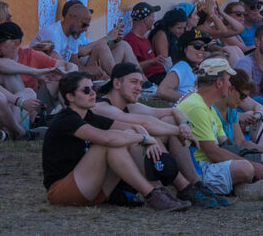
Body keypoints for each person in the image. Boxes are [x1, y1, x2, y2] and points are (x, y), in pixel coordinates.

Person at [42, 71, 191, 210]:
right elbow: (107, 138)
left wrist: (148, 135)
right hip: (62, 192)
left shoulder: (89, 116)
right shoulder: (66, 119)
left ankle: (158, 192)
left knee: (124, 136)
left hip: (94, 191)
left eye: (93, 88)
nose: (93, 93)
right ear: (70, 97)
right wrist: (144, 138)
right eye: (86, 90)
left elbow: (131, 127)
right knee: (110, 144)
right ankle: (151, 195)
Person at [91, 62, 224, 208]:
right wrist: (179, 130)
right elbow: (144, 123)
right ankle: (175, 188)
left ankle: (194, 184)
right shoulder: (101, 107)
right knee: (137, 134)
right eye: (133, 82)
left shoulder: (130, 106)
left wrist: (184, 124)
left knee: (169, 121)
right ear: (116, 83)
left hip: (126, 173)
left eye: (141, 83)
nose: (139, 88)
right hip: (103, 178)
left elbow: (174, 111)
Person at [176, 58, 263, 199]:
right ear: (219, 83)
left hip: (210, 164)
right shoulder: (197, 107)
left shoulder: (207, 107)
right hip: (199, 169)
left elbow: (226, 144)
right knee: (246, 168)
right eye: (229, 80)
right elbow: (213, 152)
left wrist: (258, 156)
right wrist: (252, 165)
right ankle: (243, 188)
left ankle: (244, 187)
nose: (230, 85)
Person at [32, 2, 137, 79]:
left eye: (87, 26)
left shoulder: (73, 35)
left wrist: (91, 70)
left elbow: (76, 65)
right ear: (71, 18)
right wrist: (89, 70)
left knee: (106, 50)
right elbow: (61, 68)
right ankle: (122, 83)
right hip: (47, 77)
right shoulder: (53, 34)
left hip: (62, 74)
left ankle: (122, 82)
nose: (86, 29)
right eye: (84, 25)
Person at [0, 21, 75, 101]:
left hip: (27, 110)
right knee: (8, 74)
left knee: (60, 80)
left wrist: (66, 72)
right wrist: (35, 72)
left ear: (16, 43)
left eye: (1, 42)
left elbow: (70, 66)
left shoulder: (30, 54)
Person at [156, 31, 211, 104]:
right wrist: (192, 102)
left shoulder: (196, 68)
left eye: (204, 46)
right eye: (197, 46)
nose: (202, 49)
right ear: (184, 49)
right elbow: (162, 91)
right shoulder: (182, 66)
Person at [125, 3, 169, 85]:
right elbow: (132, 67)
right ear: (146, 20)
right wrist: (153, 61)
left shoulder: (144, 39)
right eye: (152, 17)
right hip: (152, 79)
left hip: (161, 76)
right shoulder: (131, 40)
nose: (153, 20)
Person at [149, 8, 188, 73]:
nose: (182, 31)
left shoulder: (173, 35)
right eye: (179, 28)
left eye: (184, 28)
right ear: (169, 25)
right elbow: (165, 63)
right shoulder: (161, 35)